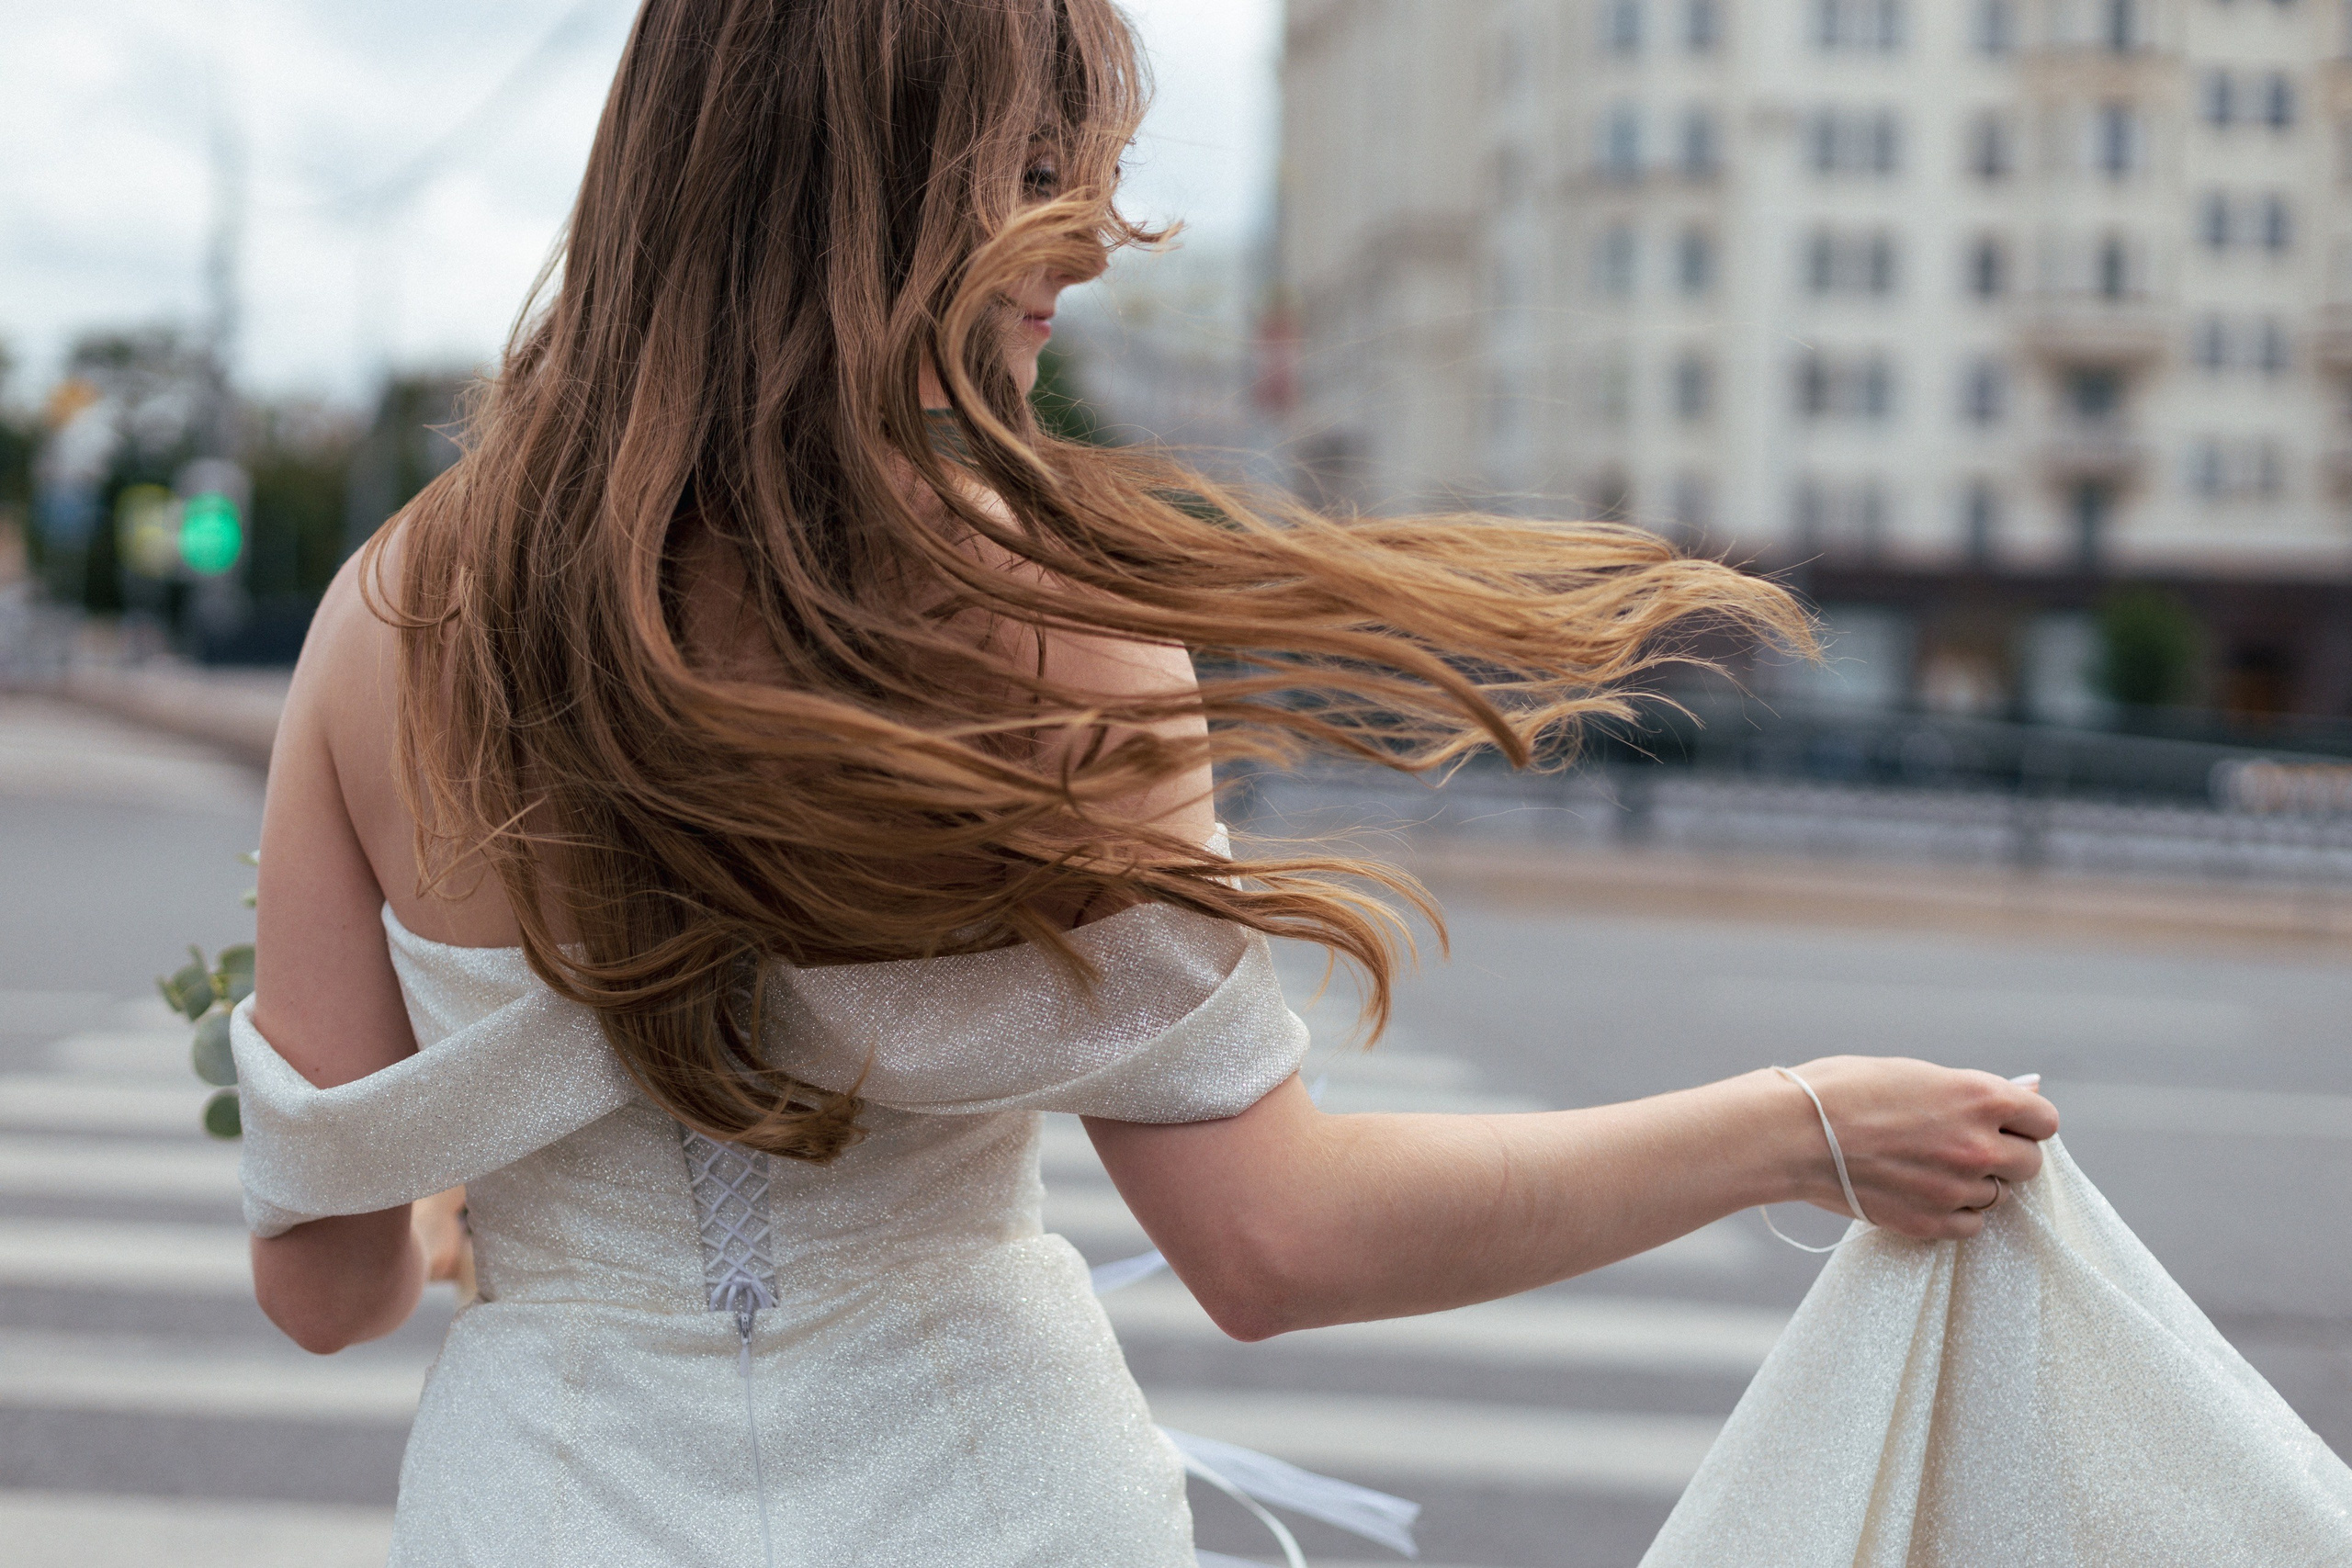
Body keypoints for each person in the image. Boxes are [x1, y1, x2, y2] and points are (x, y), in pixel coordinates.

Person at [234, 1, 2060, 1562]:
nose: (1098, 237)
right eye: (1036, 167)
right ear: (857, 183)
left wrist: (475, 1204)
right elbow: (1272, 1242)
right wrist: (1798, 1121)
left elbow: (324, 1289)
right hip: (986, 1502)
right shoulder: (1045, 624)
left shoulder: (385, 617)